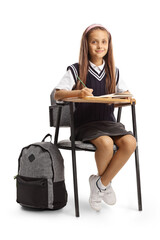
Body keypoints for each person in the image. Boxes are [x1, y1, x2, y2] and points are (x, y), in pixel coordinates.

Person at [54, 24, 136, 211]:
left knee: (130, 142)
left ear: (109, 45)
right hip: (85, 124)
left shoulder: (113, 71)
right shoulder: (76, 70)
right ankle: (104, 184)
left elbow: (124, 92)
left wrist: (127, 94)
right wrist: (78, 92)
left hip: (109, 122)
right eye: (94, 42)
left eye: (104, 42)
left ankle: (100, 183)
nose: (100, 46)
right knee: (106, 144)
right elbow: (58, 94)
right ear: (86, 45)